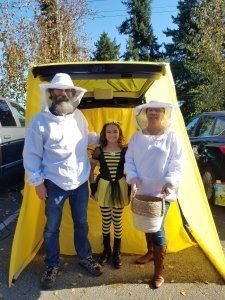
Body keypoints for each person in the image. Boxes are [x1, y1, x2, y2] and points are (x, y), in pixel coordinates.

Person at [23, 73, 103, 290]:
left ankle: (85, 257)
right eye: (59, 90)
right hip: (53, 183)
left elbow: (86, 137)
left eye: (67, 90)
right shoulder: (39, 121)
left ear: (71, 94)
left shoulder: (78, 117)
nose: (63, 93)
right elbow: (31, 154)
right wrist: (37, 182)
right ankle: (51, 265)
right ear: (51, 93)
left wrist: (103, 138)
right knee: (51, 228)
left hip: (79, 181)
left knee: (81, 223)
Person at [125, 100, 185, 288]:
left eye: (157, 110)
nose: (153, 113)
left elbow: (177, 162)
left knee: (157, 227)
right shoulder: (136, 137)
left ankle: (159, 272)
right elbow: (130, 161)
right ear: (145, 113)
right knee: (146, 222)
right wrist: (132, 178)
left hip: (164, 191)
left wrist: (171, 181)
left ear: (164, 113)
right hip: (142, 189)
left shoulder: (172, 137)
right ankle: (151, 252)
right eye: (150, 109)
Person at [89, 122, 130, 269]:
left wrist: (131, 190)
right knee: (106, 220)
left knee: (117, 221)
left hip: (120, 187)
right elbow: (91, 170)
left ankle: (116, 253)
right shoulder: (98, 151)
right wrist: (93, 189)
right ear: (104, 134)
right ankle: (106, 251)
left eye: (115, 131)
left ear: (119, 133)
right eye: (109, 132)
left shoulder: (125, 151)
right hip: (104, 187)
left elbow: (131, 170)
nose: (112, 134)